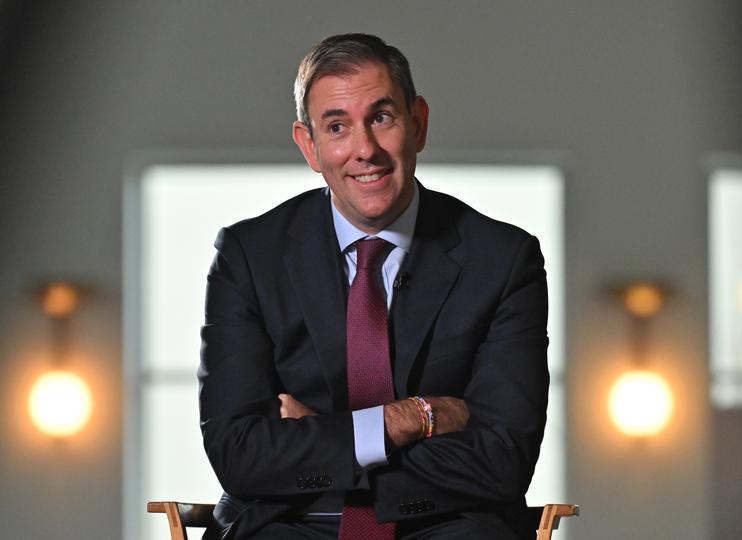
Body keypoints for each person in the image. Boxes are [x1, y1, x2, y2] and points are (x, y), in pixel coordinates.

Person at [199, 33, 549, 540]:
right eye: (337, 126)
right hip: (288, 524)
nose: (364, 150)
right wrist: (406, 421)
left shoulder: (502, 259)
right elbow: (239, 454)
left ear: (419, 123)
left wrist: (324, 435)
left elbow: (503, 459)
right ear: (309, 146)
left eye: (381, 118)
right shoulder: (248, 255)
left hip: (446, 524)